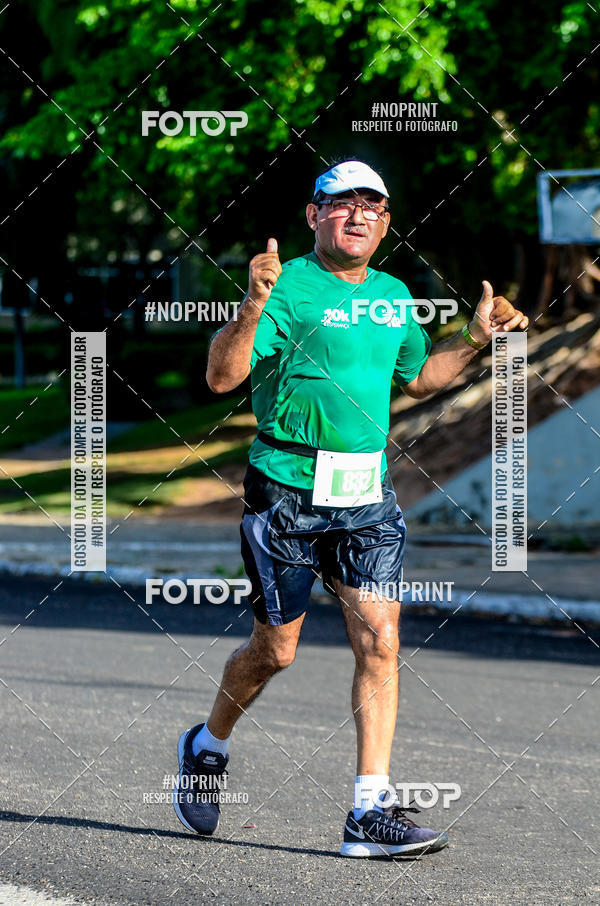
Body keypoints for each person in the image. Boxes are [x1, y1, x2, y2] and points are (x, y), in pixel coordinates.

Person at [173, 159, 529, 857]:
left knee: (382, 640)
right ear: (314, 215)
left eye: (374, 205)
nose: (359, 215)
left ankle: (369, 814)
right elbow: (221, 377)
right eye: (343, 205)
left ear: (386, 221)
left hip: (367, 495)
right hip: (285, 493)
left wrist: (476, 343)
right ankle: (207, 746)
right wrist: (250, 305)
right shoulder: (285, 287)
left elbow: (421, 379)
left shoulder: (395, 297)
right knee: (276, 651)